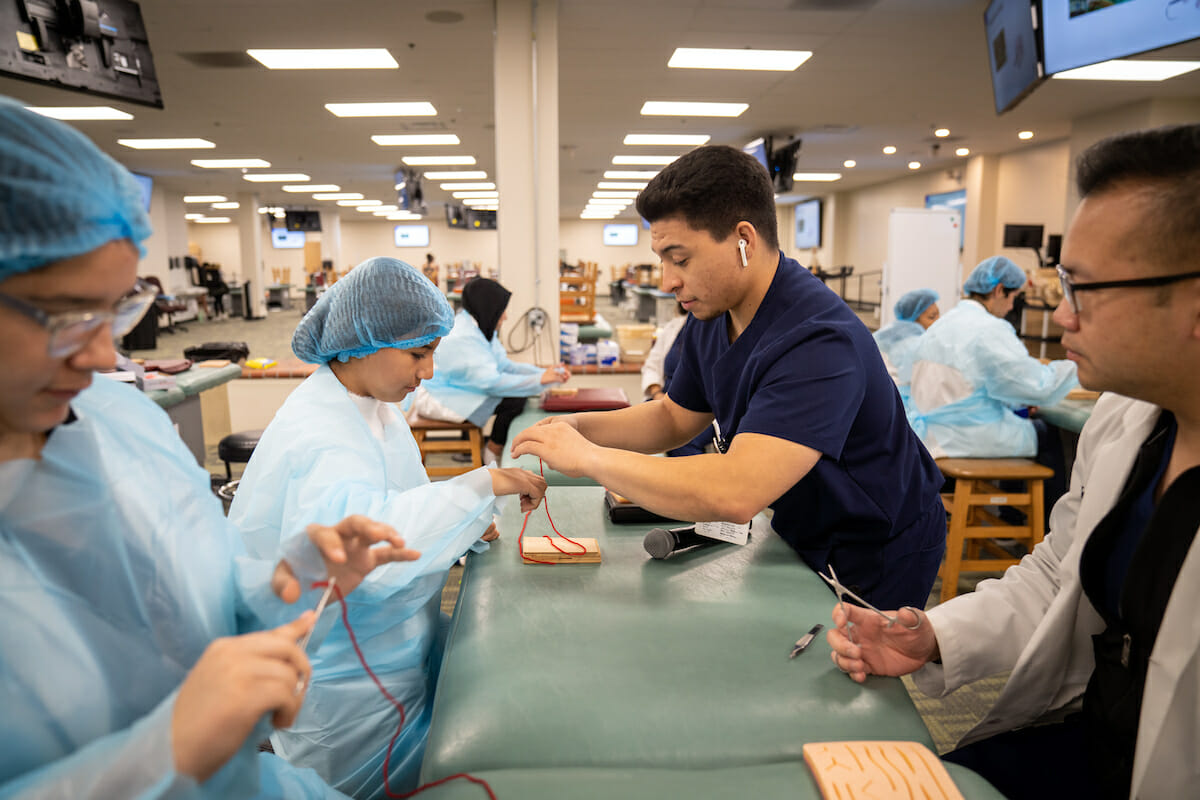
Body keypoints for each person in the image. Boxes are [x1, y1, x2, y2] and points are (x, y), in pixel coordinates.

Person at [0, 96, 420, 798]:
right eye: (67, 314)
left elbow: (179, 602)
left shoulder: (114, 422)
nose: (106, 355)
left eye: (115, 310)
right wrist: (162, 754)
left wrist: (289, 580)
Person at [827, 123, 1200, 800]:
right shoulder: (1128, 425)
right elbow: (1059, 576)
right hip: (1087, 736)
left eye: (1083, 290)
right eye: (1061, 287)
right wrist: (930, 635)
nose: (1062, 320)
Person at [512, 145, 947, 609]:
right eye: (661, 259)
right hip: (801, 520)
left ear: (744, 239)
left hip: (875, 542)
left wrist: (590, 459)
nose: (666, 281)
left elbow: (736, 489)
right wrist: (580, 427)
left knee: (845, 673)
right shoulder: (712, 315)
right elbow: (674, 416)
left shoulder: (818, 341)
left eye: (679, 259)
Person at [228, 257, 547, 798]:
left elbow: (398, 499)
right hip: (341, 689)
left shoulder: (368, 406)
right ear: (364, 341)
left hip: (380, 654)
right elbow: (365, 551)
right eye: (417, 354)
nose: (426, 372)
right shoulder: (322, 433)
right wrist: (477, 490)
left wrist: (463, 520)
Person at [907, 255, 1077, 459]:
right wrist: (1078, 365)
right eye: (1013, 297)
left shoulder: (942, 325)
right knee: (1047, 434)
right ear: (999, 291)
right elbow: (1039, 386)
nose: (1012, 307)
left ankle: (1008, 492)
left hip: (932, 436)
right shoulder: (989, 329)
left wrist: (1015, 400)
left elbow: (969, 382)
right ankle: (1031, 492)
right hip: (966, 436)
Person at [411, 277, 570, 467]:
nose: (505, 317)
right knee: (515, 399)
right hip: (438, 397)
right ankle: (492, 455)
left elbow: (504, 365)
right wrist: (540, 379)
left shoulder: (480, 328)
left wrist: (543, 372)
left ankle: (493, 450)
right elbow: (491, 383)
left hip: (458, 388)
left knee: (517, 396)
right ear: (488, 307)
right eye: (502, 310)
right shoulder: (463, 336)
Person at [641, 302, 713, 456]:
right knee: (638, 429)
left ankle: (693, 479)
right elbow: (652, 365)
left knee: (685, 442)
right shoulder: (674, 327)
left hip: (703, 411)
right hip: (663, 399)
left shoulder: (717, 331)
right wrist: (657, 393)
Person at [872, 288, 939, 383]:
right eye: (932, 317)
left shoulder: (889, 333)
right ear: (913, 319)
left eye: (938, 315)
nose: (938, 321)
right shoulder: (912, 343)